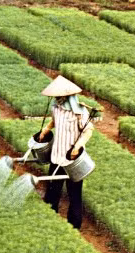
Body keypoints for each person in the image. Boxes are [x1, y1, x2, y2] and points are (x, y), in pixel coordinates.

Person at [39, 76, 94, 230]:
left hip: (73, 159)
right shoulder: (55, 109)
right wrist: (46, 129)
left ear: (67, 95)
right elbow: (54, 121)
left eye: (59, 96)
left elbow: (88, 131)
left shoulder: (80, 111)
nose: (57, 98)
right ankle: (50, 221)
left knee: (74, 193)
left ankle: (74, 225)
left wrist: (77, 146)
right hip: (56, 157)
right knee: (52, 191)